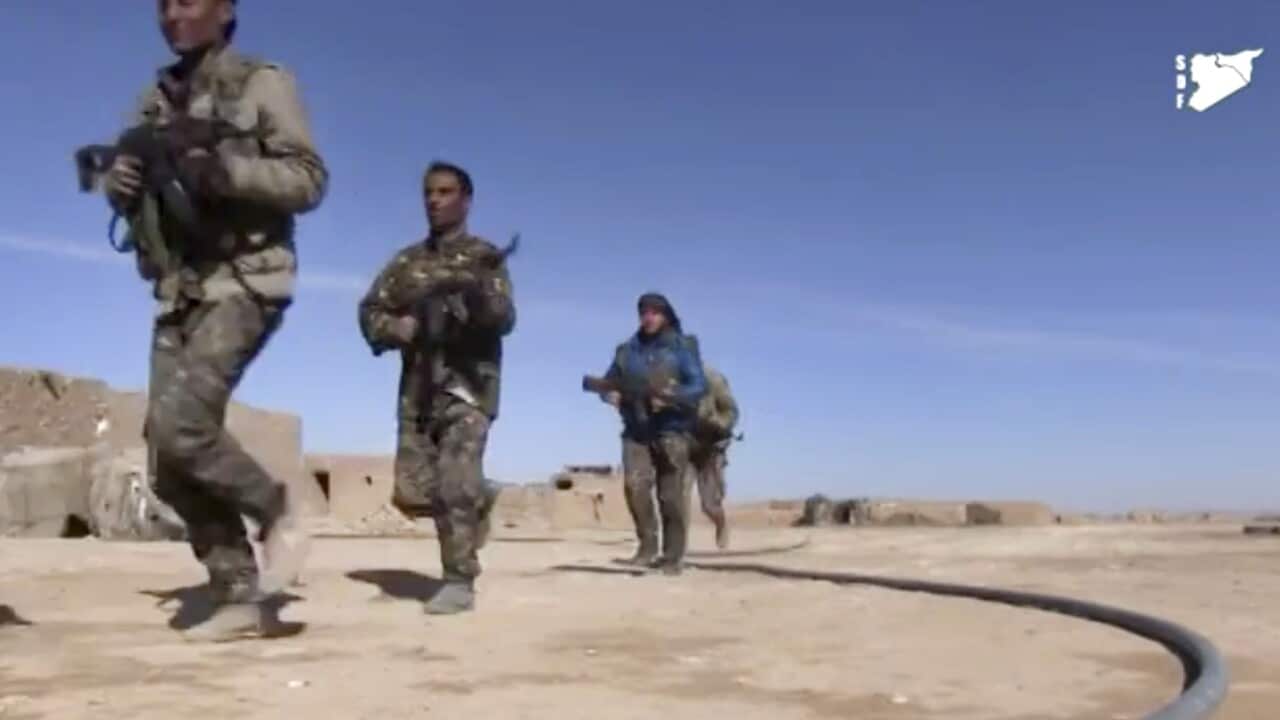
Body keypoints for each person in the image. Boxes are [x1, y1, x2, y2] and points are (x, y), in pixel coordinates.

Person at [100, 0, 327, 641]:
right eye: (163, 5)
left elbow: (308, 179)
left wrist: (223, 170)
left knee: (183, 425)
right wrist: (122, 184)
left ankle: (277, 507)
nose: (173, 14)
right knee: (167, 465)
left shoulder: (261, 81)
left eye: (189, 1)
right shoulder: (153, 100)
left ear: (226, 12)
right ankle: (238, 595)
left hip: (248, 278)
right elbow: (134, 181)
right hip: (180, 289)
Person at [357, 161, 516, 614]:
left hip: (468, 387)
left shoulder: (485, 258)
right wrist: (398, 327)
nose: (434, 200)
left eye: (445, 192)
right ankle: (479, 498)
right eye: (429, 192)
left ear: (466, 200)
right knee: (412, 492)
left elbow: (505, 317)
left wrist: (474, 300)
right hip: (418, 390)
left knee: (452, 481)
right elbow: (370, 311)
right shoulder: (407, 263)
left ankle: (458, 578)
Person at [596, 293, 707, 574]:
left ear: (666, 315)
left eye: (655, 312)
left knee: (670, 495)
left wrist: (670, 396)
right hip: (636, 430)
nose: (648, 317)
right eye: (644, 312)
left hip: (671, 429)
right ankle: (647, 548)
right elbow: (610, 381)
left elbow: (698, 386)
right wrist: (610, 394)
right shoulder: (626, 351)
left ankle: (672, 557)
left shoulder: (682, 347)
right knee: (635, 488)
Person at [689, 364, 739, 550]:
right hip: (684, 447)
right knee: (674, 494)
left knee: (709, 504)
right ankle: (674, 546)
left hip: (711, 447)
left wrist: (716, 423)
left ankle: (721, 522)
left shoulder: (713, 379)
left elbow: (731, 412)